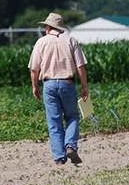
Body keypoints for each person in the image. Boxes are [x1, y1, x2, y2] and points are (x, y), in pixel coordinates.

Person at [28, 12, 89, 166]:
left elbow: (34, 68)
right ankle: (70, 146)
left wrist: (35, 86)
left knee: (54, 121)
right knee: (72, 117)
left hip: (48, 85)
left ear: (49, 27)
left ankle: (59, 159)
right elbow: (80, 66)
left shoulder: (41, 42)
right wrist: (84, 86)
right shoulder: (71, 40)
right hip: (67, 83)